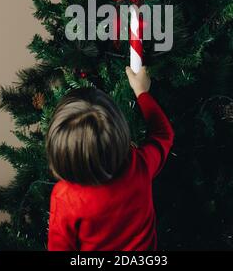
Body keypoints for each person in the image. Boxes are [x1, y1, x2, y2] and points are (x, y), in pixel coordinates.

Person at [46, 66, 175, 251]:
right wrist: (141, 92)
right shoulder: (138, 165)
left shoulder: (65, 196)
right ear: (120, 131)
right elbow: (163, 134)